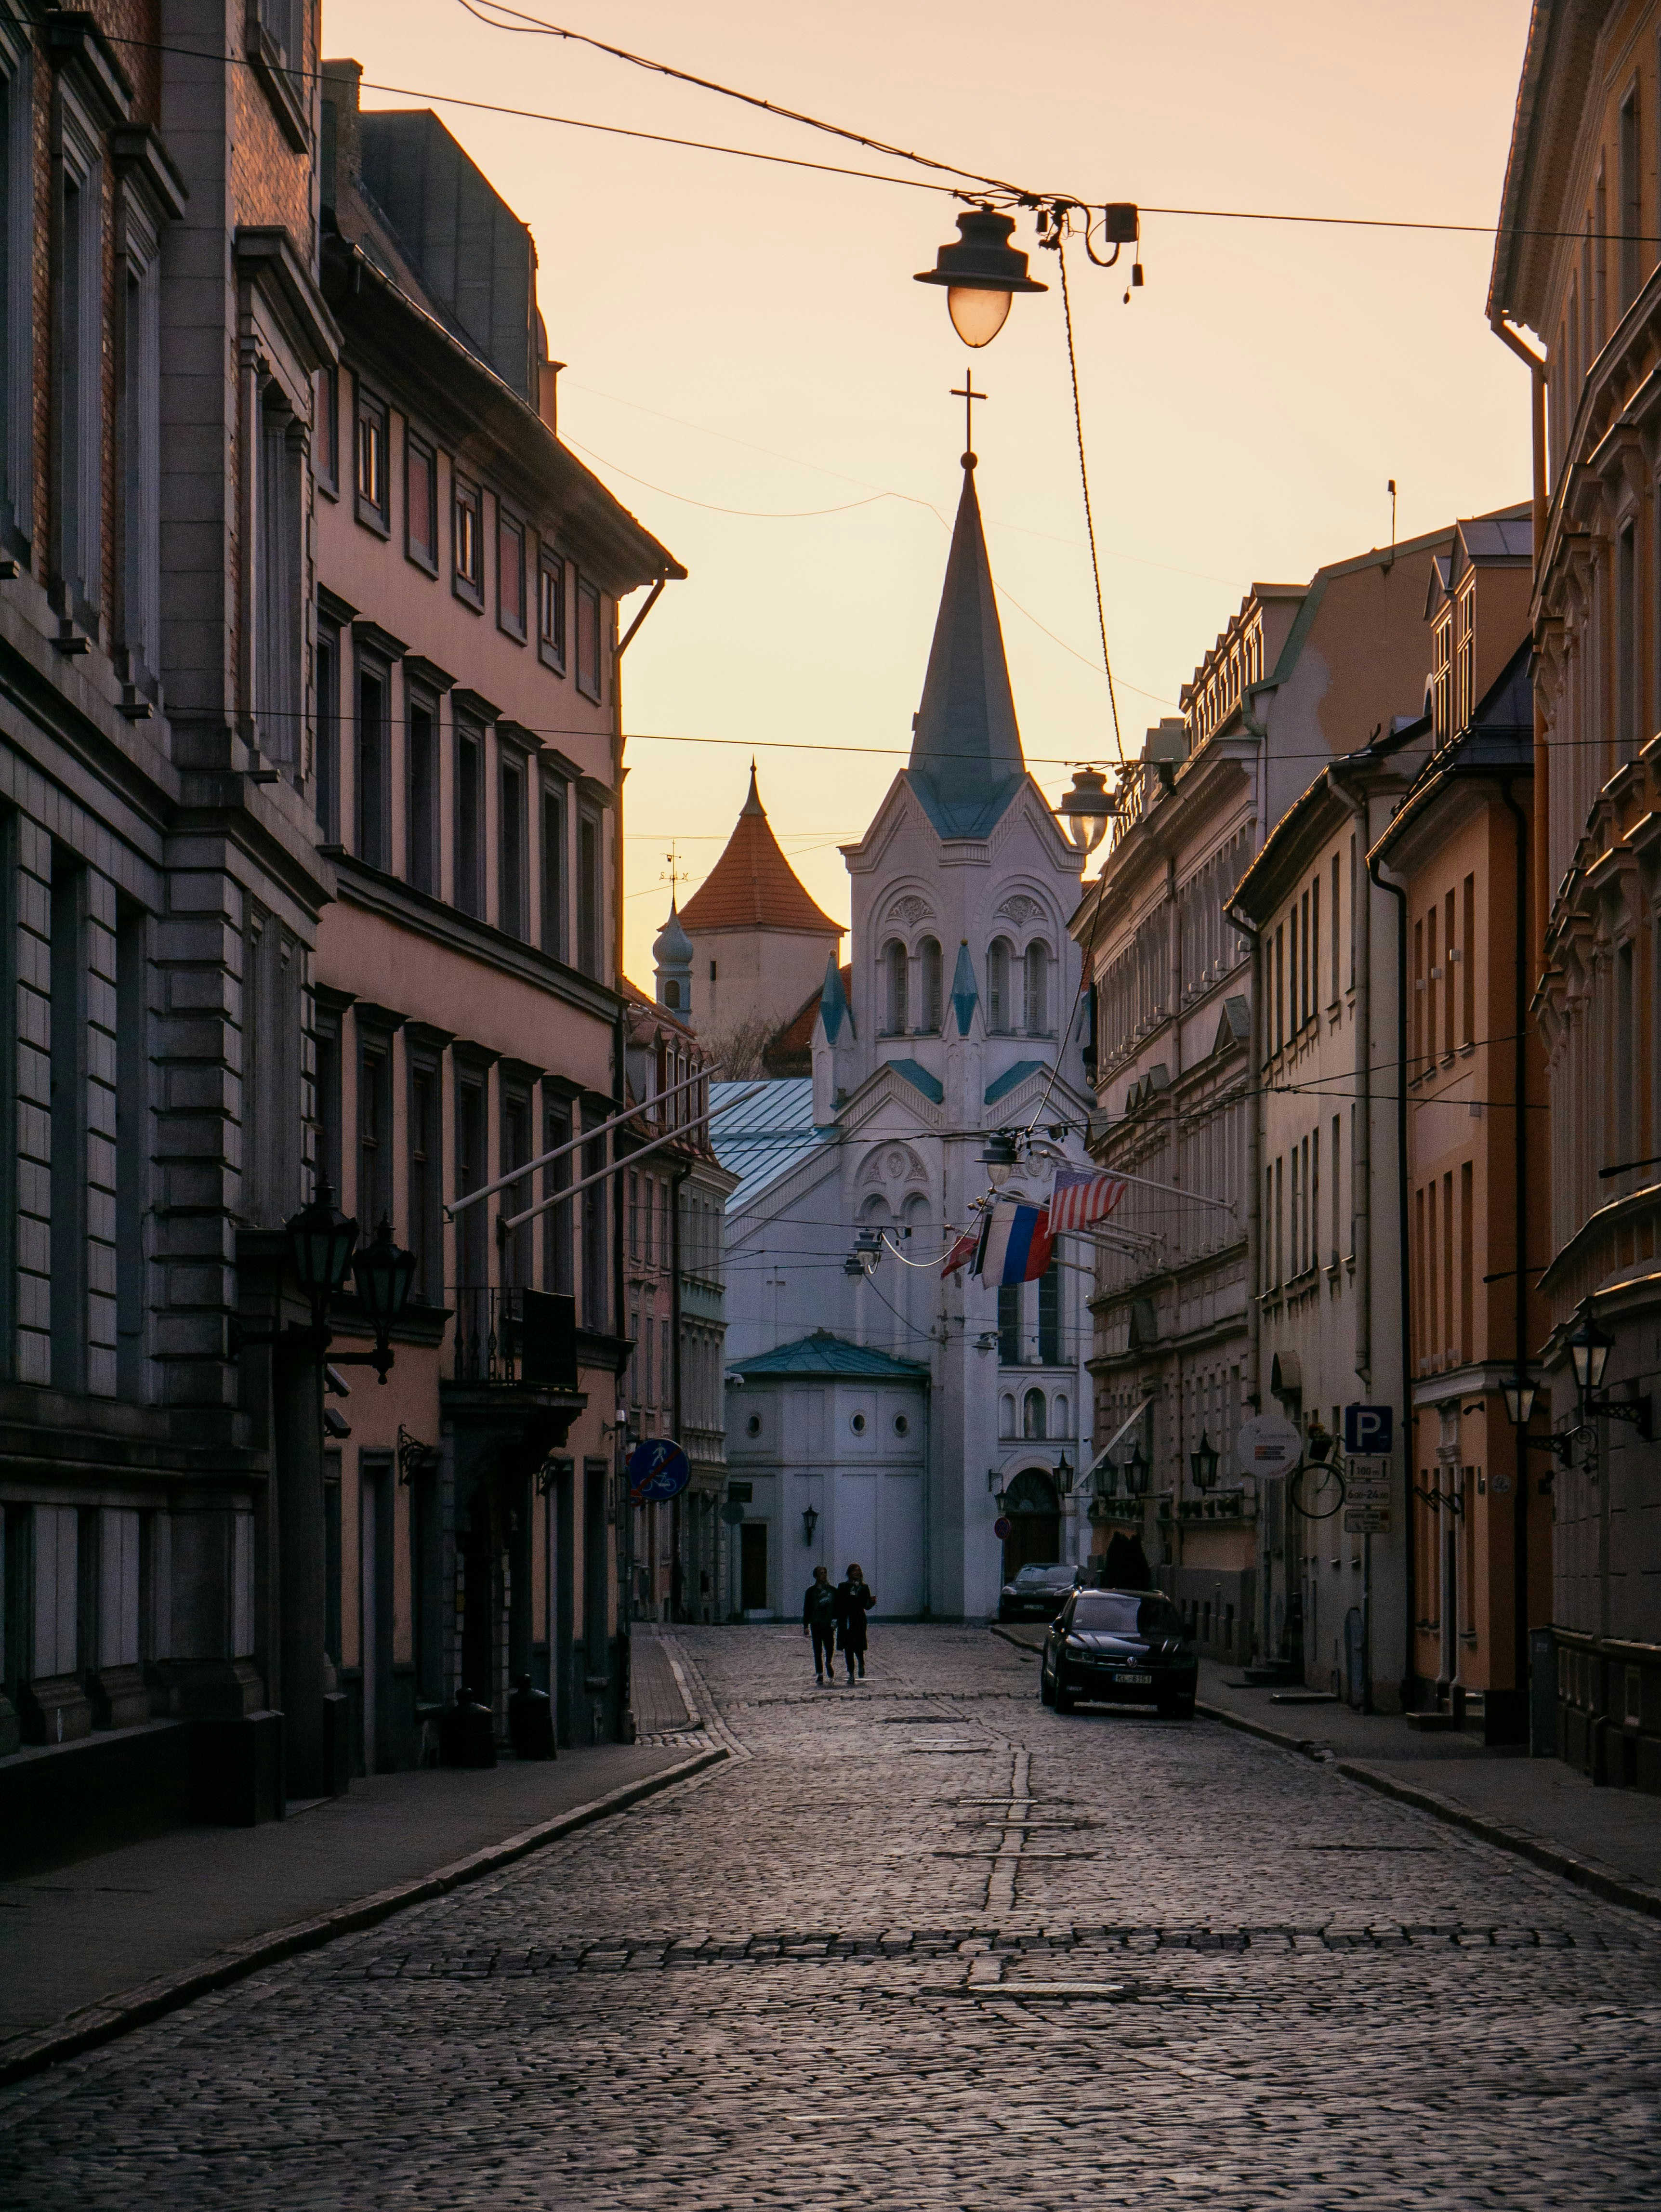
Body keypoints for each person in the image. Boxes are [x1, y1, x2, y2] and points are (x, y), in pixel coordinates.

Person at [834, 1563, 876, 1683]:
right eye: (854, 1571)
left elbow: (866, 1606)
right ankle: (851, 1673)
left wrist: (871, 1603)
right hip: (846, 1621)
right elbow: (838, 1604)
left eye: (859, 1571)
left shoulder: (864, 1588)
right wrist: (836, 1619)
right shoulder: (843, 1587)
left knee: (858, 1647)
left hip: (859, 1621)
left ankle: (861, 1663)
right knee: (848, 1648)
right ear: (849, 1573)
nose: (857, 1573)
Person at [802, 1564, 838, 1684]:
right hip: (816, 1623)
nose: (824, 1575)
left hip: (828, 1623)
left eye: (825, 1573)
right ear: (816, 1576)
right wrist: (806, 1625)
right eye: (821, 1573)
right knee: (817, 1649)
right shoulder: (811, 1592)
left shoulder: (833, 1591)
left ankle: (828, 1663)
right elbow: (807, 1608)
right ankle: (820, 1673)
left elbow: (837, 1607)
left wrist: (836, 1619)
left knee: (830, 1646)